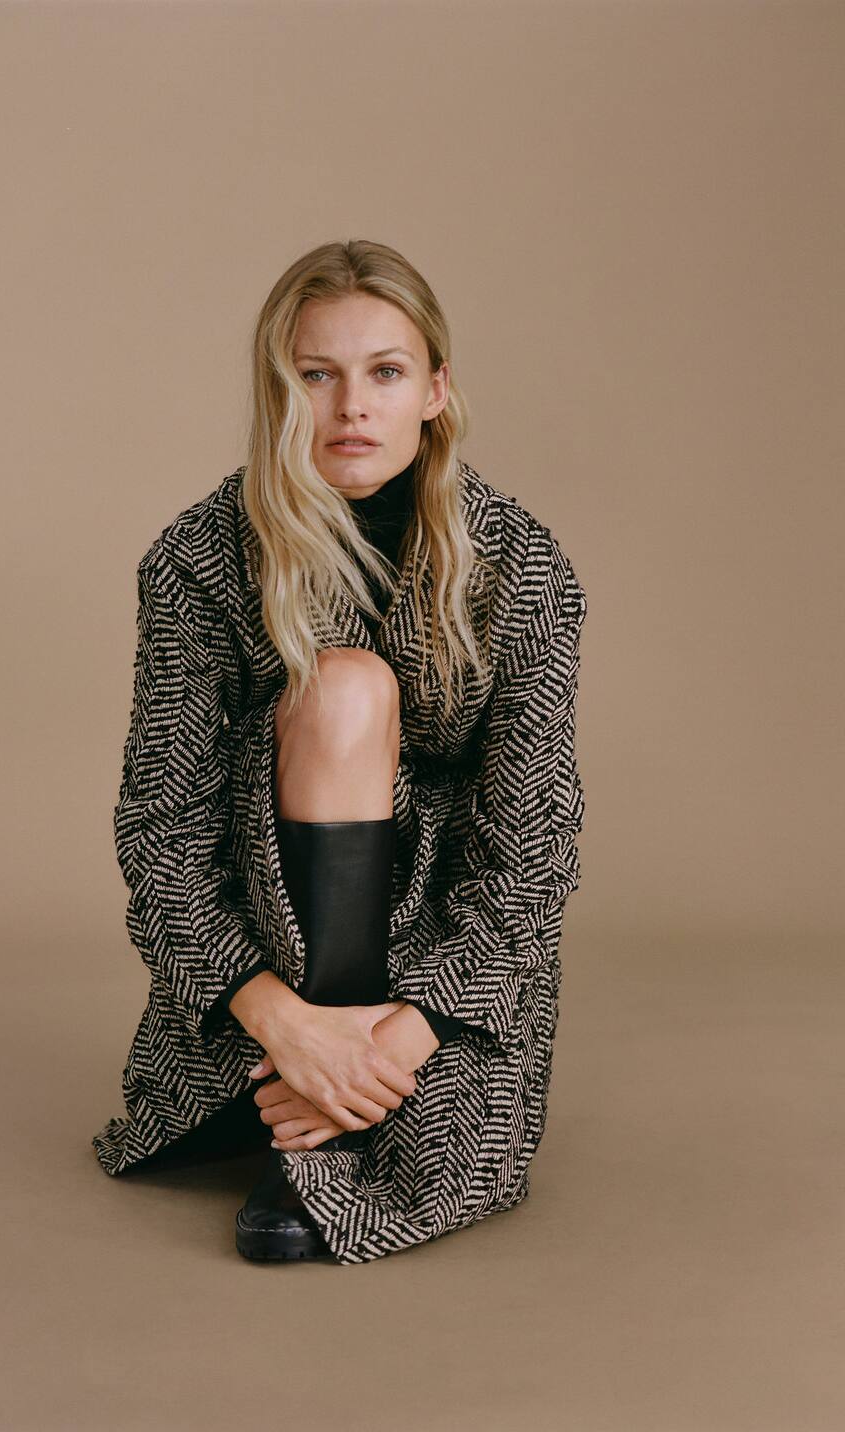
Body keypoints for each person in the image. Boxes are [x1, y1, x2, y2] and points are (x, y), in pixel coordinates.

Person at [91, 238, 589, 1267]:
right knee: (342, 687)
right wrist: (288, 1028)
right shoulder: (199, 557)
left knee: (440, 1138)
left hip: (447, 970)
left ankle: (331, 1109)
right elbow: (161, 836)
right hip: (265, 956)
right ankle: (297, 1091)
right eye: (317, 375)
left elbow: (531, 857)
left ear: (435, 391)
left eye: (385, 372)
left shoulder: (522, 564)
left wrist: (387, 1044)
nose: (352, 406)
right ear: (279, 392)